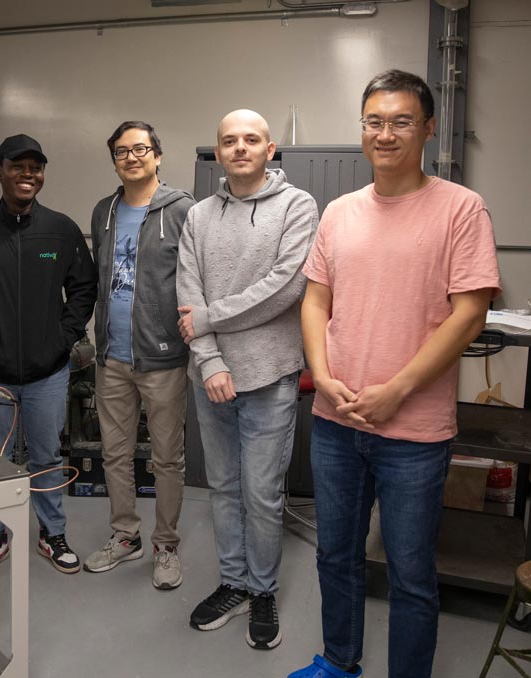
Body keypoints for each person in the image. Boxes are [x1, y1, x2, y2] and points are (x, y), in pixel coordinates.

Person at [289, 71, 500, 678]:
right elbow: (315, 301)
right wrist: (322, 376)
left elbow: (469, 314)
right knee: (336, 556)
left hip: (415, 432)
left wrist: (397, 391)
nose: (386, 133)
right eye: (374, 121)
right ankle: (339, 662)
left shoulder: (461, 208)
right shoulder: (339, 211)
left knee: (410, 575)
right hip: (336, 420)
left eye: (401, 121)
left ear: (428, 129)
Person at [176, 110, 318, 649]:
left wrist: (210, 319)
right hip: (210, 376)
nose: (240, 148)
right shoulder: (199, 216)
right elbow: (188, 294)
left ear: (269, 148)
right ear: (218, 150)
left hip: (270, 375)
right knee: (224, 488)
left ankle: (263, 589)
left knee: (261, 493)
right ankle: (233, 582)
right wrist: (210, 361)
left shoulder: (297, 206)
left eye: (251, 140)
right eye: (229, 140)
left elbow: (287, 286)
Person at [0, 134, 97, 577]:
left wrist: (62, 337)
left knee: (48, 455)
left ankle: (52, 533)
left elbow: (84, 288)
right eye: (18, 166)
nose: (27, 174)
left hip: (48, 372)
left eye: (36, 167)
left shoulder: (61, 230)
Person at [84, 121, 194, 590]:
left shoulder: (184, 209)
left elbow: (195, 279)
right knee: (115, 453)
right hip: (112, 357)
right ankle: (124, 534)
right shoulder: (103, 211)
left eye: (141, 149)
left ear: (158, 155)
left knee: (167, 458)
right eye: (122, 151)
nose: (132, 157)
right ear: (114, 160)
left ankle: (165, 544)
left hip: (163, 357)